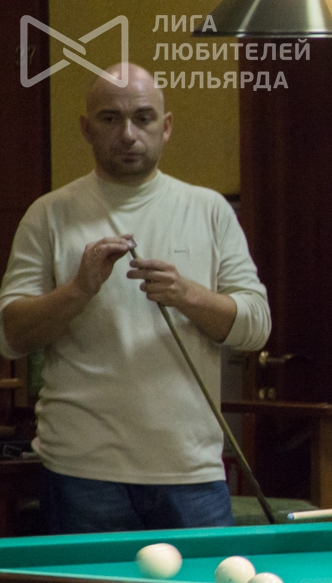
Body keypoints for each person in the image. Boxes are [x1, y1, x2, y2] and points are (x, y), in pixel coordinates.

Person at [0, 64, 271, 533]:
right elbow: (10, 336)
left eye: (143, 118)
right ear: (87, 128)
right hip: (82, 471)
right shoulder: (49, 214)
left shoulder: (209, 210)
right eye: (110, 119)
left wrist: (187, 295)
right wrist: (78, 290)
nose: (128, 134)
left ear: (166, 127)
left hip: (191, 471)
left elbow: (256, 326)